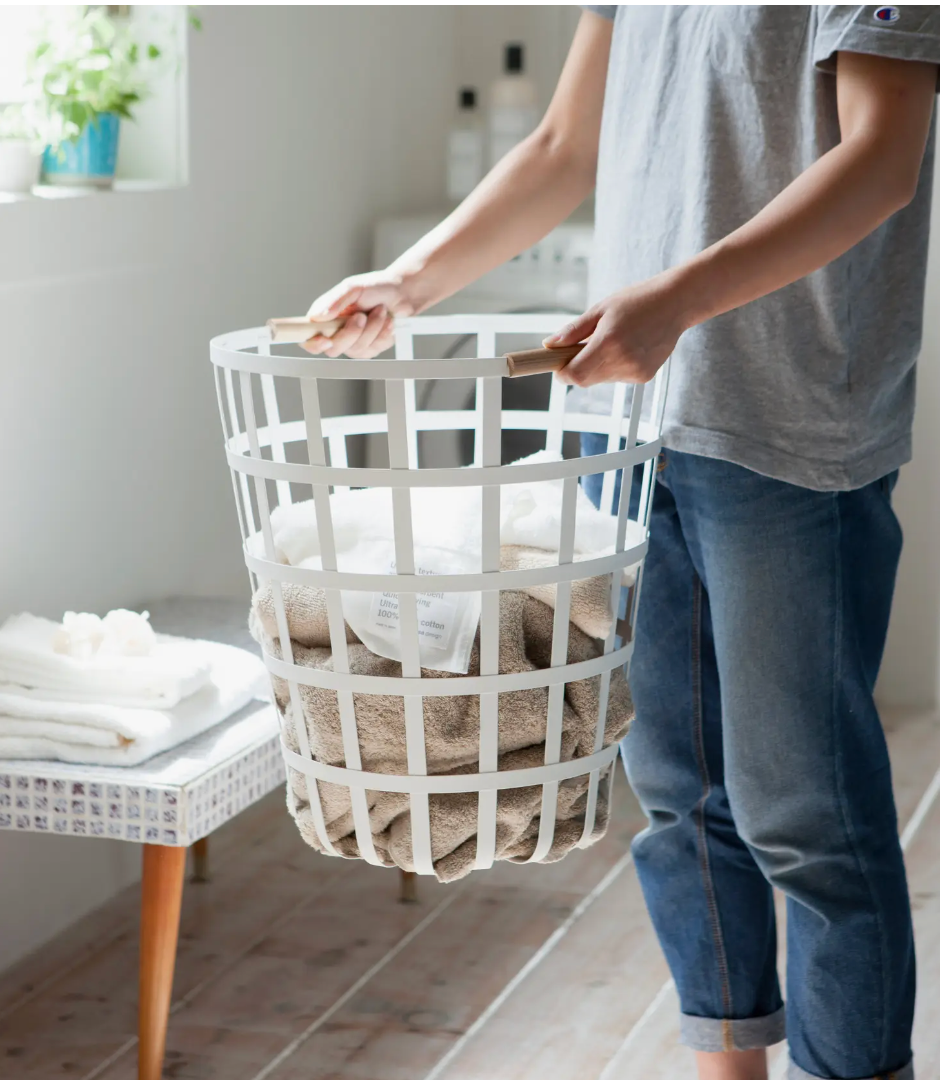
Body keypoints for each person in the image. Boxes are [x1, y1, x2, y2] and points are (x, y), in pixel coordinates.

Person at [304, 8, 940, 1079]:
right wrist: (411, 282)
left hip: (791, 427)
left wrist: (679, 302)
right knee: (678, 798)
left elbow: (881, 161)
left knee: (805, 816)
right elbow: (564, 144)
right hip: (635, 423)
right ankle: (723, 1061)